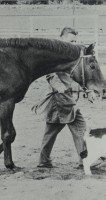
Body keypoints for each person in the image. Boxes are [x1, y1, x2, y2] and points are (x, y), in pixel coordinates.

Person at [37, 27, 88, 168]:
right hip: (61, 98)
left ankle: (44, 161)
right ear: (62, 38)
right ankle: (85, 159)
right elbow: (50, 75)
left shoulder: (68, 54)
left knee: (52, 130)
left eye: (75, 41)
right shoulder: (55, 54)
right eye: (71, 40)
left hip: (65, 98)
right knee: (79, 126)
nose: (74, 44)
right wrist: (60, 88)